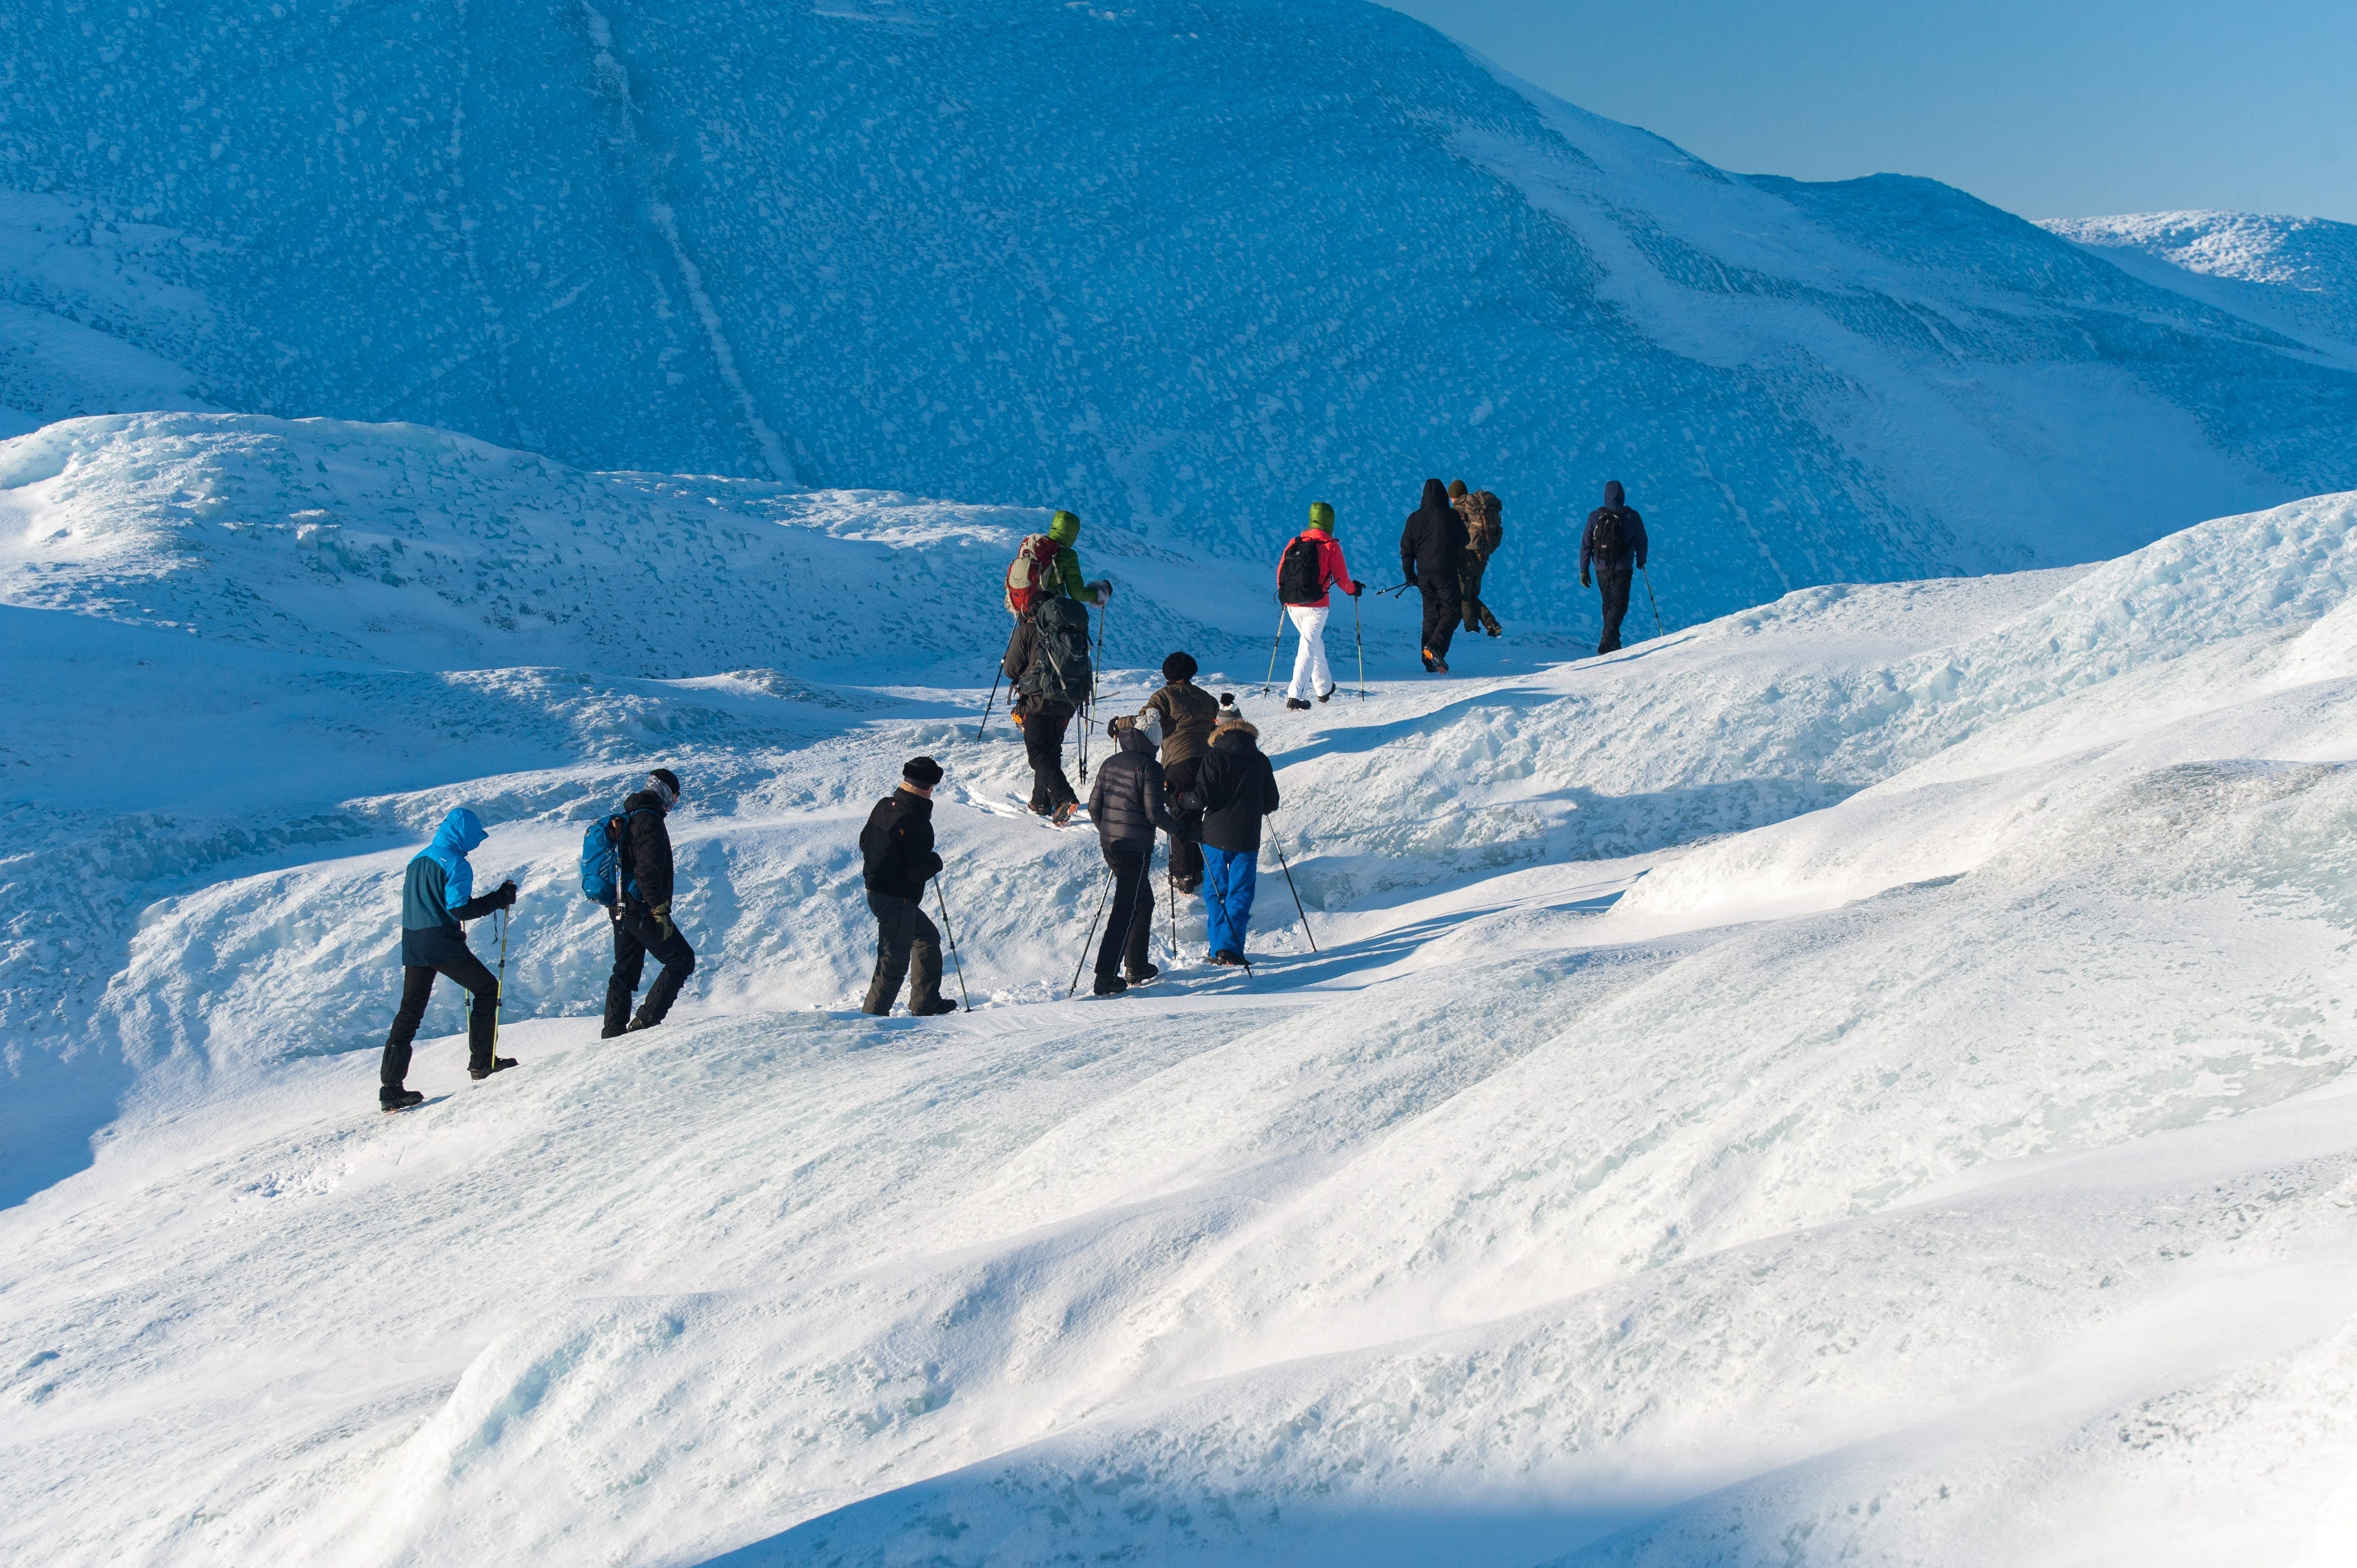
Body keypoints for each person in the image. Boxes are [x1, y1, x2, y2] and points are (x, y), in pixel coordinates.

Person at [379, 806, 517, 1110]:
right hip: (440, 941)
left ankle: (390, 1088)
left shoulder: (418, 859)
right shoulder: (456, 863)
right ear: (464, 835)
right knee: (486, 989)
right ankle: (482, 1063)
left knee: (410, 1010)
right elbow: (459, 909)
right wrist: (499, 898)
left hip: (413, 942)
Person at [1004, 509, 1110, 826]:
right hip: (1070, 694)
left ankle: (1064, 798)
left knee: (1039, 754)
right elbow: (1077, 593)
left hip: (1038, 697)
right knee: (1050, 749)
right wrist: (1099, 594)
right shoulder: (1071, 625)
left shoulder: (1032, 554)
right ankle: (1041, 801)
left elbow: (1012, 670)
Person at [1172, 716, 1280, 967]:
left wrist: (1180, 798)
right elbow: (1271, 803)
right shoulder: (1260, 760)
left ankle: (1218, 948)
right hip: (1247, 838)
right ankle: (1229, 948)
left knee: (1215, 892)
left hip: (1215, 836)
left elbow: (1201, 798)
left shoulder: (1215, 757)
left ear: (1219, 735)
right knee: (1241, 893)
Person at [860, 755, 960, 1017]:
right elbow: (917, 872)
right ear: (928, 788)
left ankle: (926, 1002)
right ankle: (872, 1021)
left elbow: (864, 842)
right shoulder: (918, 821)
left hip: (876, 892)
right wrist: (935, 863)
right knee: (892, 962)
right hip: (898, 899)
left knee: (927, 938)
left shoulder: (884, 806)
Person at [1085, 716, 1180, 993]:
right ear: (1153, 741)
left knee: (1143, 902)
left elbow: (1094, 807)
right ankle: (1106, 976)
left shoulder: (1111, 762)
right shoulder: (1151, 767)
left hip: (1111, 845)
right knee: (1125, 909)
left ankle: (1136, 965)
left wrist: (1108, 831)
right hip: (1134, 848)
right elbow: (1155, 814)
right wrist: (1186, 831)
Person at [603, 767, 697, 1037]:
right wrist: (660, 910)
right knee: (682, 959)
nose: (677, 800)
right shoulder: (650, 821)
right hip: (640, 907)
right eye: (676, 794)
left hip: (620, 905)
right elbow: (646, 871)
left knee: (625, 971)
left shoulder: (632, 816)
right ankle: (646, 1022)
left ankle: (613, 1032)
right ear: (665, 792)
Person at [1136, 652, 1219, 893]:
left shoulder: (1163, 696)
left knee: (1179, 817)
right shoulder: (1207, 698)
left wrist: (1119, 724)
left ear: (1167, 674)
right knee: (1197, 814)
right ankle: (1198, 869)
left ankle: (1183, 874)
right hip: (1208, 763)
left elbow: (1145, 721)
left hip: (1179, 763)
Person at [1275, 501, 1362, 710]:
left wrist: (1286, 595)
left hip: (1293, 605)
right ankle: (1295, 695)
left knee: (1312, 644)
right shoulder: (1331, 546)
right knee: (1307, 646)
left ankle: (1324, 687)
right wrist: (1354, 590)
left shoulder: (1295, 542)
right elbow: (1342, 581)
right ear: (1330, 522)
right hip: (1317, 606)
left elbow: (1281, 573)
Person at [1399, 477, 1466, 673]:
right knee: (1453, 610)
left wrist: (1410, 574)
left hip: (1424, 575)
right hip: (1446, 572)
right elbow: (1465, 539)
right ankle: (1435, 647)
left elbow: (1406, 550)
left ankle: (1429, 661)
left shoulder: (1414, 519)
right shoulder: (1450, 516)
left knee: (1430, 615)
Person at [1581, 479, 1650, 655]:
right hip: (1623, 567)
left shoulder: (1595, 516)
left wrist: (1584, 570)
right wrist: (1641, 559)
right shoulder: (1632, 516)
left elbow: (1586, 544)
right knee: (1620, 605)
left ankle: (1614, 641)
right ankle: (1607, 640)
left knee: (1608, 603)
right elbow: (1642, 540)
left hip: (1600, 568)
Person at [1449, 481, 1505, 638]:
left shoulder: (1459, 510)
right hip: (1482, 557)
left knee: (1464, 596)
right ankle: (1491, 624)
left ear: (1454, 496)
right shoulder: (1477, 507)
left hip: (1466, 558)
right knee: (1472, 595)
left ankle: (1472, 630)